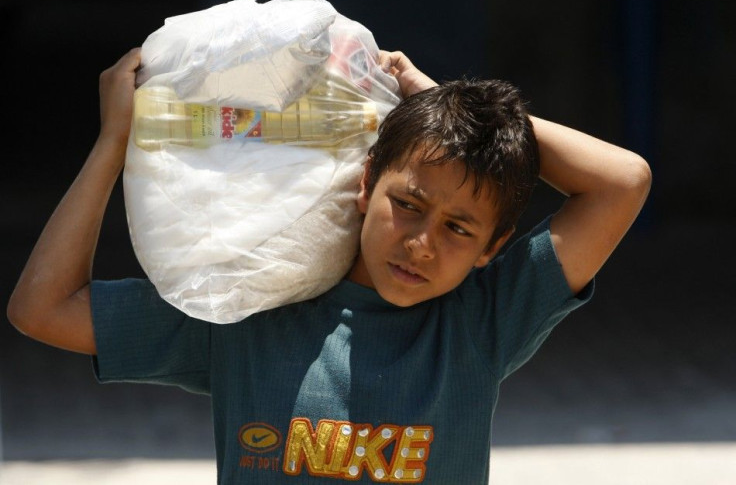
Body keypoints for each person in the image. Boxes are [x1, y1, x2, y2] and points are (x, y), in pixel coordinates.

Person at [8, 47, 651, 483]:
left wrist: (449, 107)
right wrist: (113, 142)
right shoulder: (251, 306)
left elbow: (624, 182)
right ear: (367, 183)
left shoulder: (483, 321)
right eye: (408, 203)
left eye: (458, 228)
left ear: (492, 247)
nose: (422, 243)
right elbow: (41, 309)